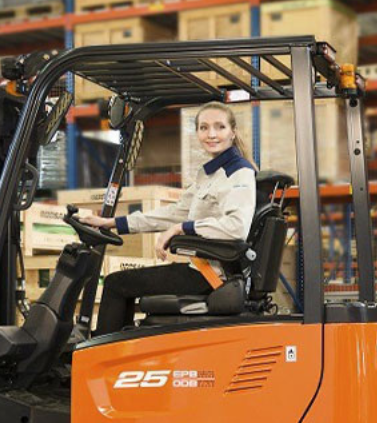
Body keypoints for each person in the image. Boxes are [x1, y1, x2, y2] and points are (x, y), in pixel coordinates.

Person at [79, 103, 257, 335]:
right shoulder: (210, 174)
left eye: (219, 127)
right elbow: (173, 213)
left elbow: (236, 228)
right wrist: (112, 223)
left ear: (232, 132)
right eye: (204, 128)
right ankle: (119, 352)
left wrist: (181, 229)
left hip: (210, 275)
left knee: (115, 284)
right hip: (201, 269)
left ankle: (100, 360)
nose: (211, 134)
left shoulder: (238, 173)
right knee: (122, 283)